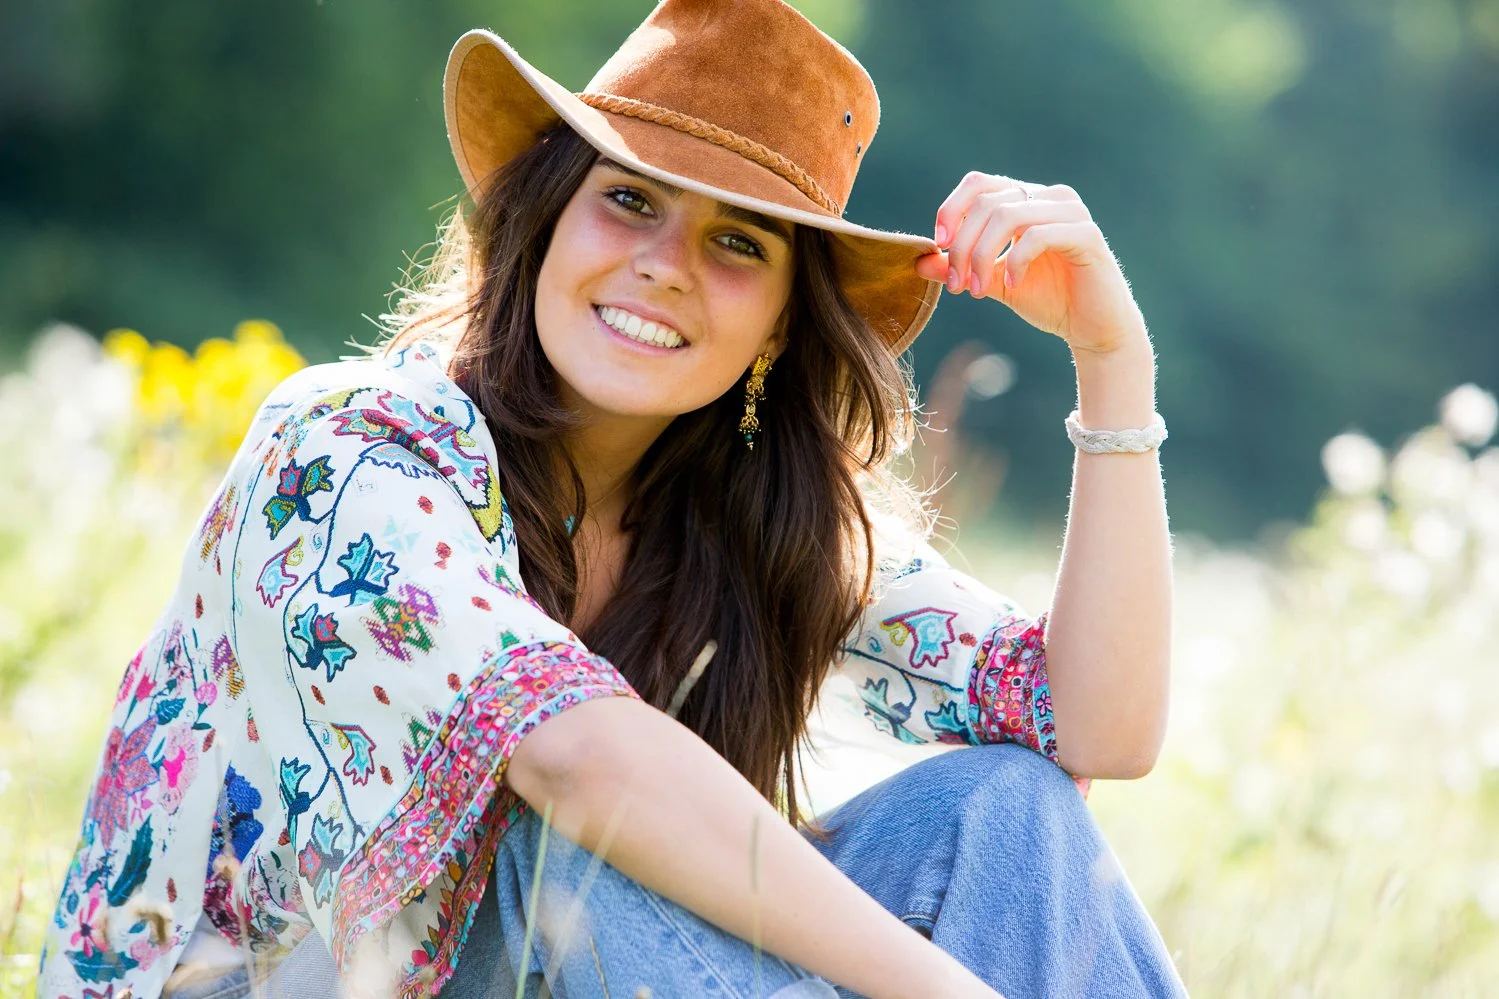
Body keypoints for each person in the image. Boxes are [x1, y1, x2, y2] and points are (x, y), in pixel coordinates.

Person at [38, 1, 1185, 997]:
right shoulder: (350, 452)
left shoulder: (744, 522)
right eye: (628, 201)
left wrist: (1110, 355)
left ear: (779, 325)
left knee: (1009, 811)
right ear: (542, 220)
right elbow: (579, 760)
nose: (665, 264)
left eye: (736, 240)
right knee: (579, 833)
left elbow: (1092, 727)